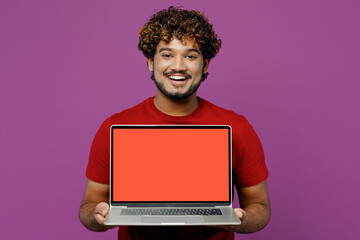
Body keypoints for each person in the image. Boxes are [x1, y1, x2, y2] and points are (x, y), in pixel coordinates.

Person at [79, 6, 270, 240]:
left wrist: (239, 220)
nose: (178, 66)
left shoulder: (237, 127)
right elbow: (89, 205)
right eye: (167, 54)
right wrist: (98, 216)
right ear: (151, 62)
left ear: (205, 64)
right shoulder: (114, 126)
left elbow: (260, 207)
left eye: (191, 56)